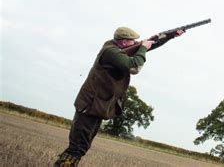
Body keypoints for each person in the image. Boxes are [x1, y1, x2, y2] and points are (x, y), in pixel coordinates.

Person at [54, 26, 184, 166]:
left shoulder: (117, 48)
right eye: (131, 41)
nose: (135, 42)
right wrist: (143, 48)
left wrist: (170, 36)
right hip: (89, 106)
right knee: (77, 147)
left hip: (97, 107)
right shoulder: (111, 52)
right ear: (123, 42)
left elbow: (146, 46)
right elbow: (133, 66)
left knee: (81, 147)